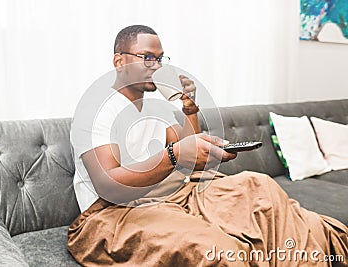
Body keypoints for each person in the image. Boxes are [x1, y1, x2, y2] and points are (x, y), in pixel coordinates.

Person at [68, 25, 348, 266]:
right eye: (147, 57)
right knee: (217, 248)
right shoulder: (97, 109)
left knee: (259, 187)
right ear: (119, 61)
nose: (156, 65)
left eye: (160, 58)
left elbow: (186, 150)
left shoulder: (155, 108)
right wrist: (175, 155)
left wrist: (188, 107)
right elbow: (110, 185)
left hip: (173, 192)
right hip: (114, 211)